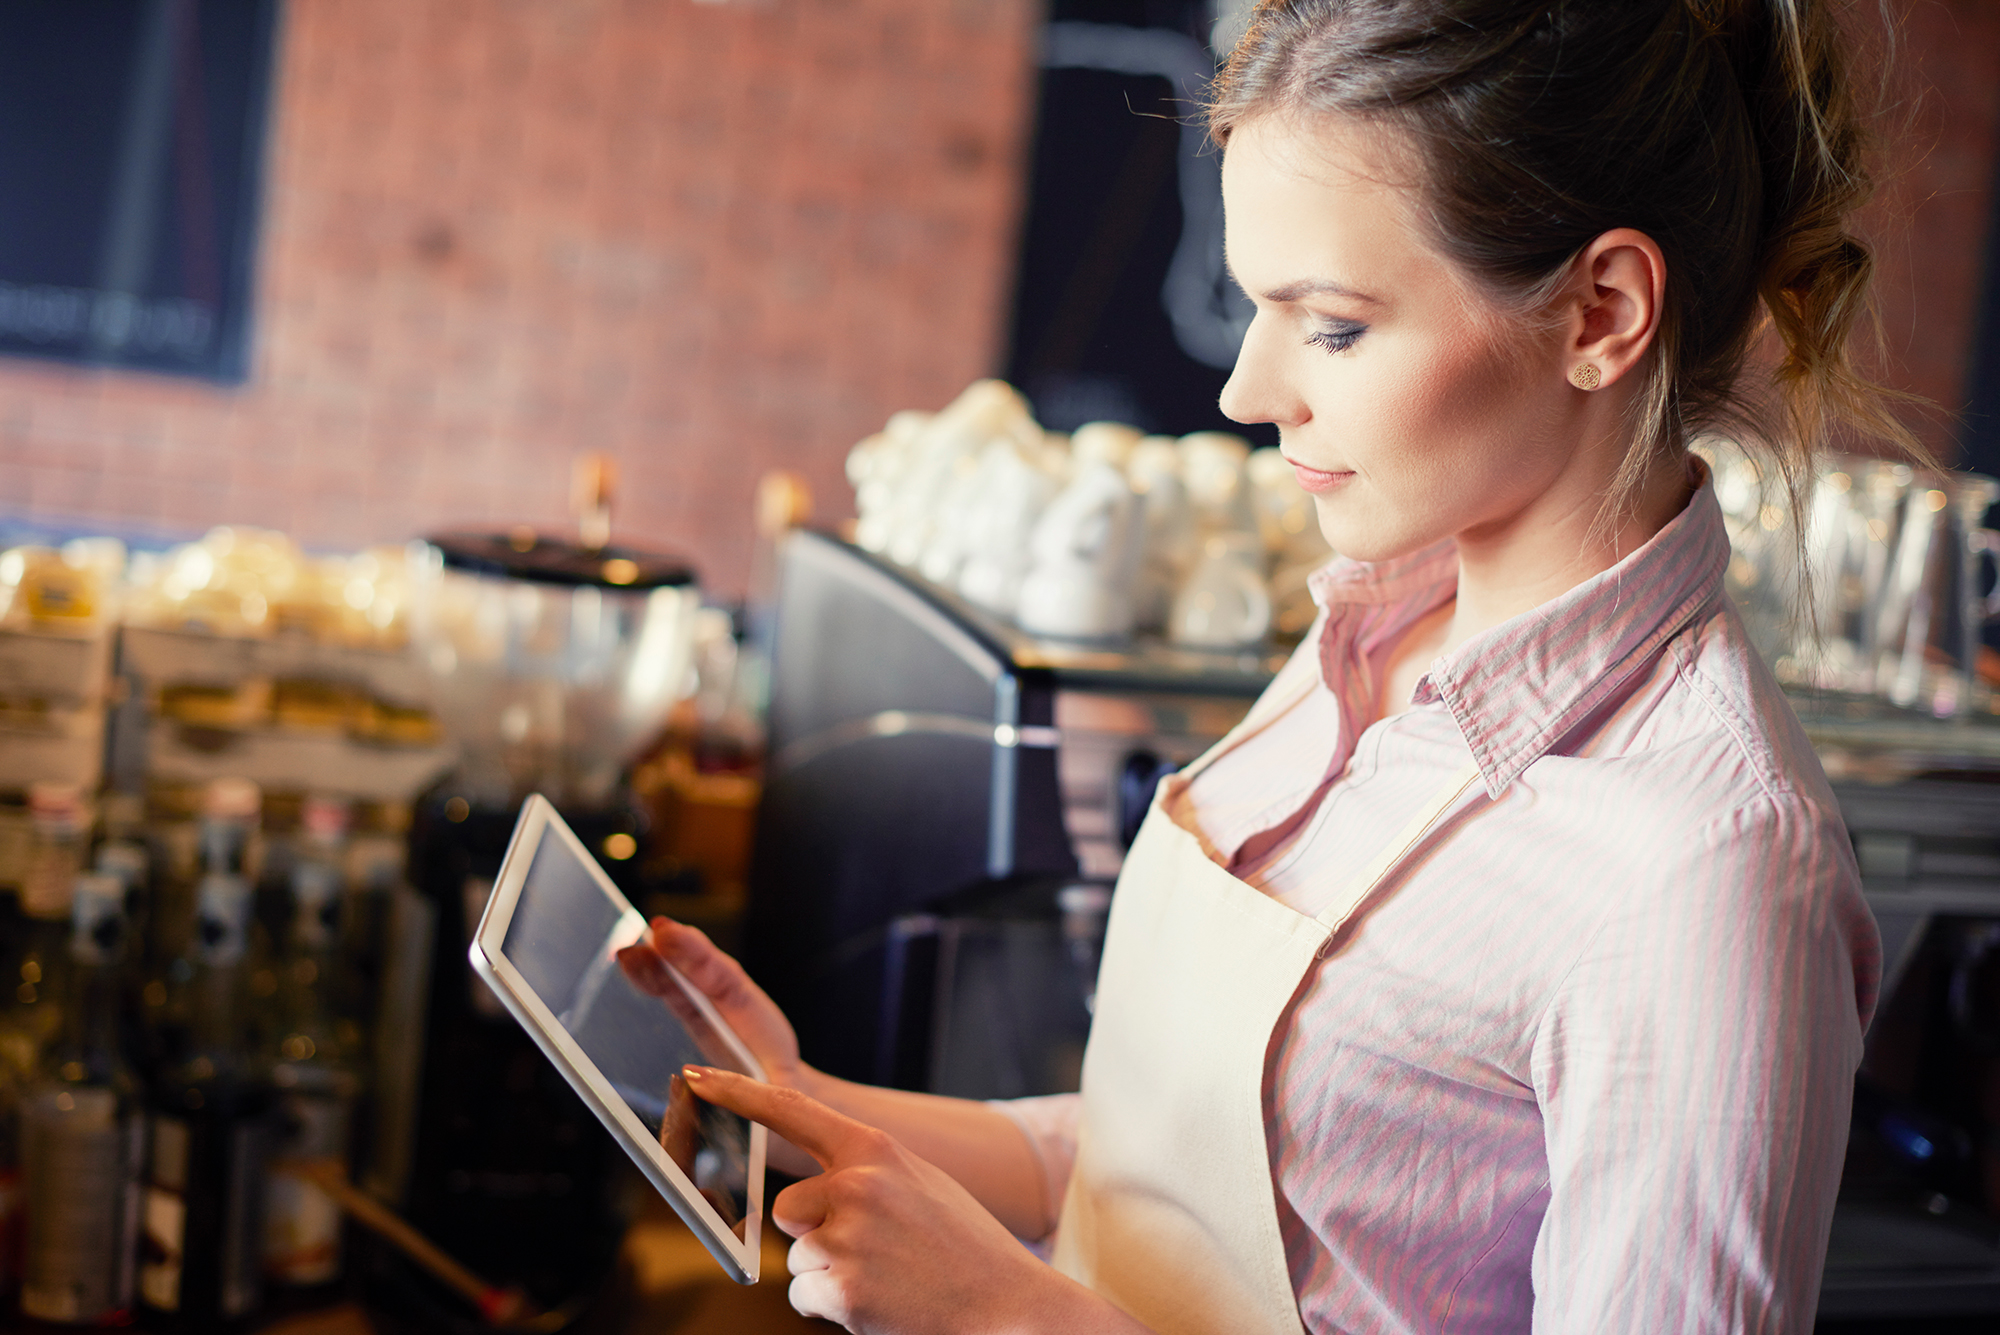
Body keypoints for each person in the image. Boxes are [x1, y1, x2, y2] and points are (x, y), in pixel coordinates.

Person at [618, 2, 1926, 1330]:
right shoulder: (1371, 628)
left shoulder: (1705, 871)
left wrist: (1010, 1315)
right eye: (1260, 308)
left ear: (1600, 312)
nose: (1248, 388)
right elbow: (1180, 1163)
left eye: (1335, 325)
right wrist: (803, 1102)